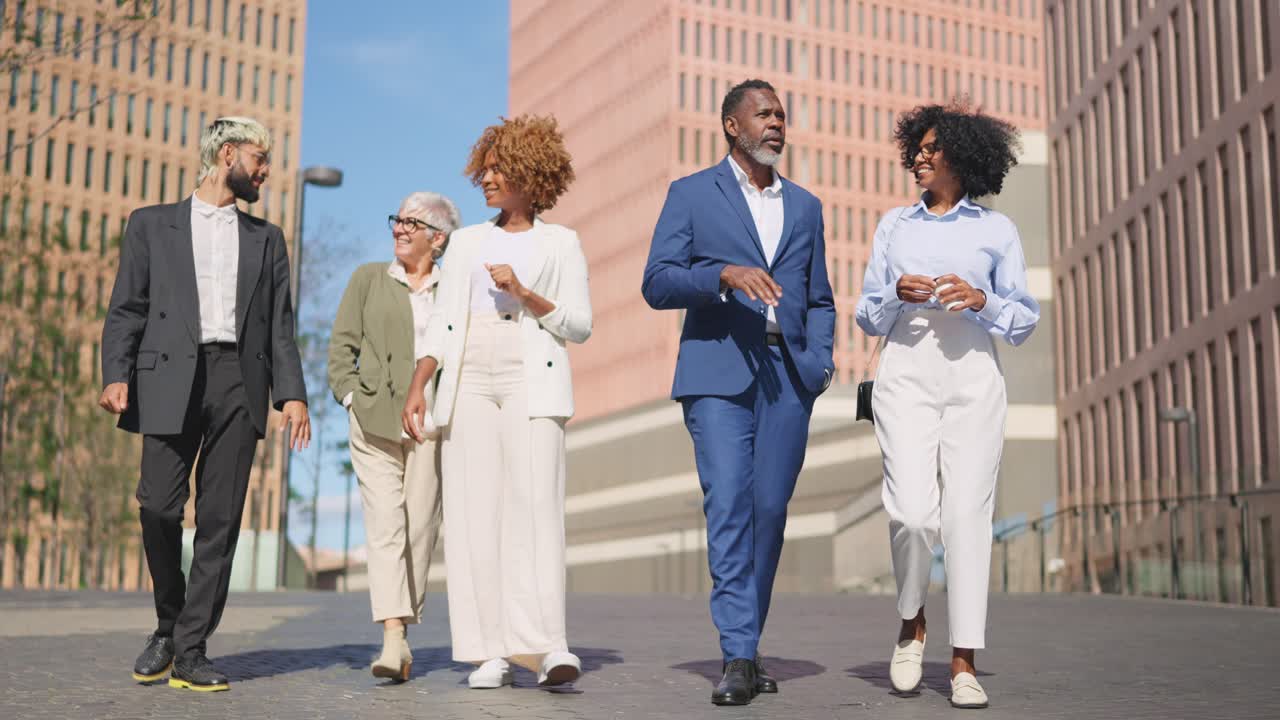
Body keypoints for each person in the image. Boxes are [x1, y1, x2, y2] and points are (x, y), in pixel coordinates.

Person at [641, 79, 835, 706]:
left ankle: (748, 646)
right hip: (717, 372)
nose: (777, 122)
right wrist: (721, 275)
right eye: (764, 114)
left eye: (781, 114)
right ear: (732, 125)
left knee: (770, 512)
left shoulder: (806, 206)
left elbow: (821, 296)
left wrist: (820, 363)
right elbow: (657, 281)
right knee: (728, 502)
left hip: (788, 377)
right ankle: (738, 654)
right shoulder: (692, 195)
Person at [99, 116, 310, 692]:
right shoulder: (151, 225)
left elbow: (281, 327)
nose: (266, 170)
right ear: (226, 157)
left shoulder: (266, 239)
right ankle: (170, 621)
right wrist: (116, 373)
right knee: (158, 507)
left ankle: (190, 649)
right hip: (168, 375)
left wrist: (291, 394)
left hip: (238, 380)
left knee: (220, 522)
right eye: (258, 159)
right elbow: (127, 308)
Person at [854, 103, 1039, 709]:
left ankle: (964, 660)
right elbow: (866, 314)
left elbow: (1022, 318)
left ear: (962, 156)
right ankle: (912, 621)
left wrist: (980, 298)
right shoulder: (894, 226)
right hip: (905, 375)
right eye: (918, 148)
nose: (921, 157)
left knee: (965, 517)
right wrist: (893, 293)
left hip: (973, 381)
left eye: (933, 148)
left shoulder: (996, 230)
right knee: (912, 513)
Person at [402, 114, 590, 689]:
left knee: (536, 509)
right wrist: (419, 383)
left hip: (532, 374)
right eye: (483, 168)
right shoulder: (464, 242)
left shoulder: (561, 242)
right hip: (469, 377)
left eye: (499, 168)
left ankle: (547, 645)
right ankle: (488, 652)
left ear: (531, 175)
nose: (486, 177)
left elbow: (579, 325)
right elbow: (441, 324)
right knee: (473, 514)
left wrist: (525, 292)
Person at [328, 191, 461, 681]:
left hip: (430, 428)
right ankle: (392, 639)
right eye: (397, 220)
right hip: (374, 423)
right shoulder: (367, 280)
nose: (399, 229)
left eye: (411, 222)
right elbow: (341, 347)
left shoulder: (454, 289)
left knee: (420, 529)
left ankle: (402, 631)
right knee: (385, 526)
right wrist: (351, 399)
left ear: (438, 238)